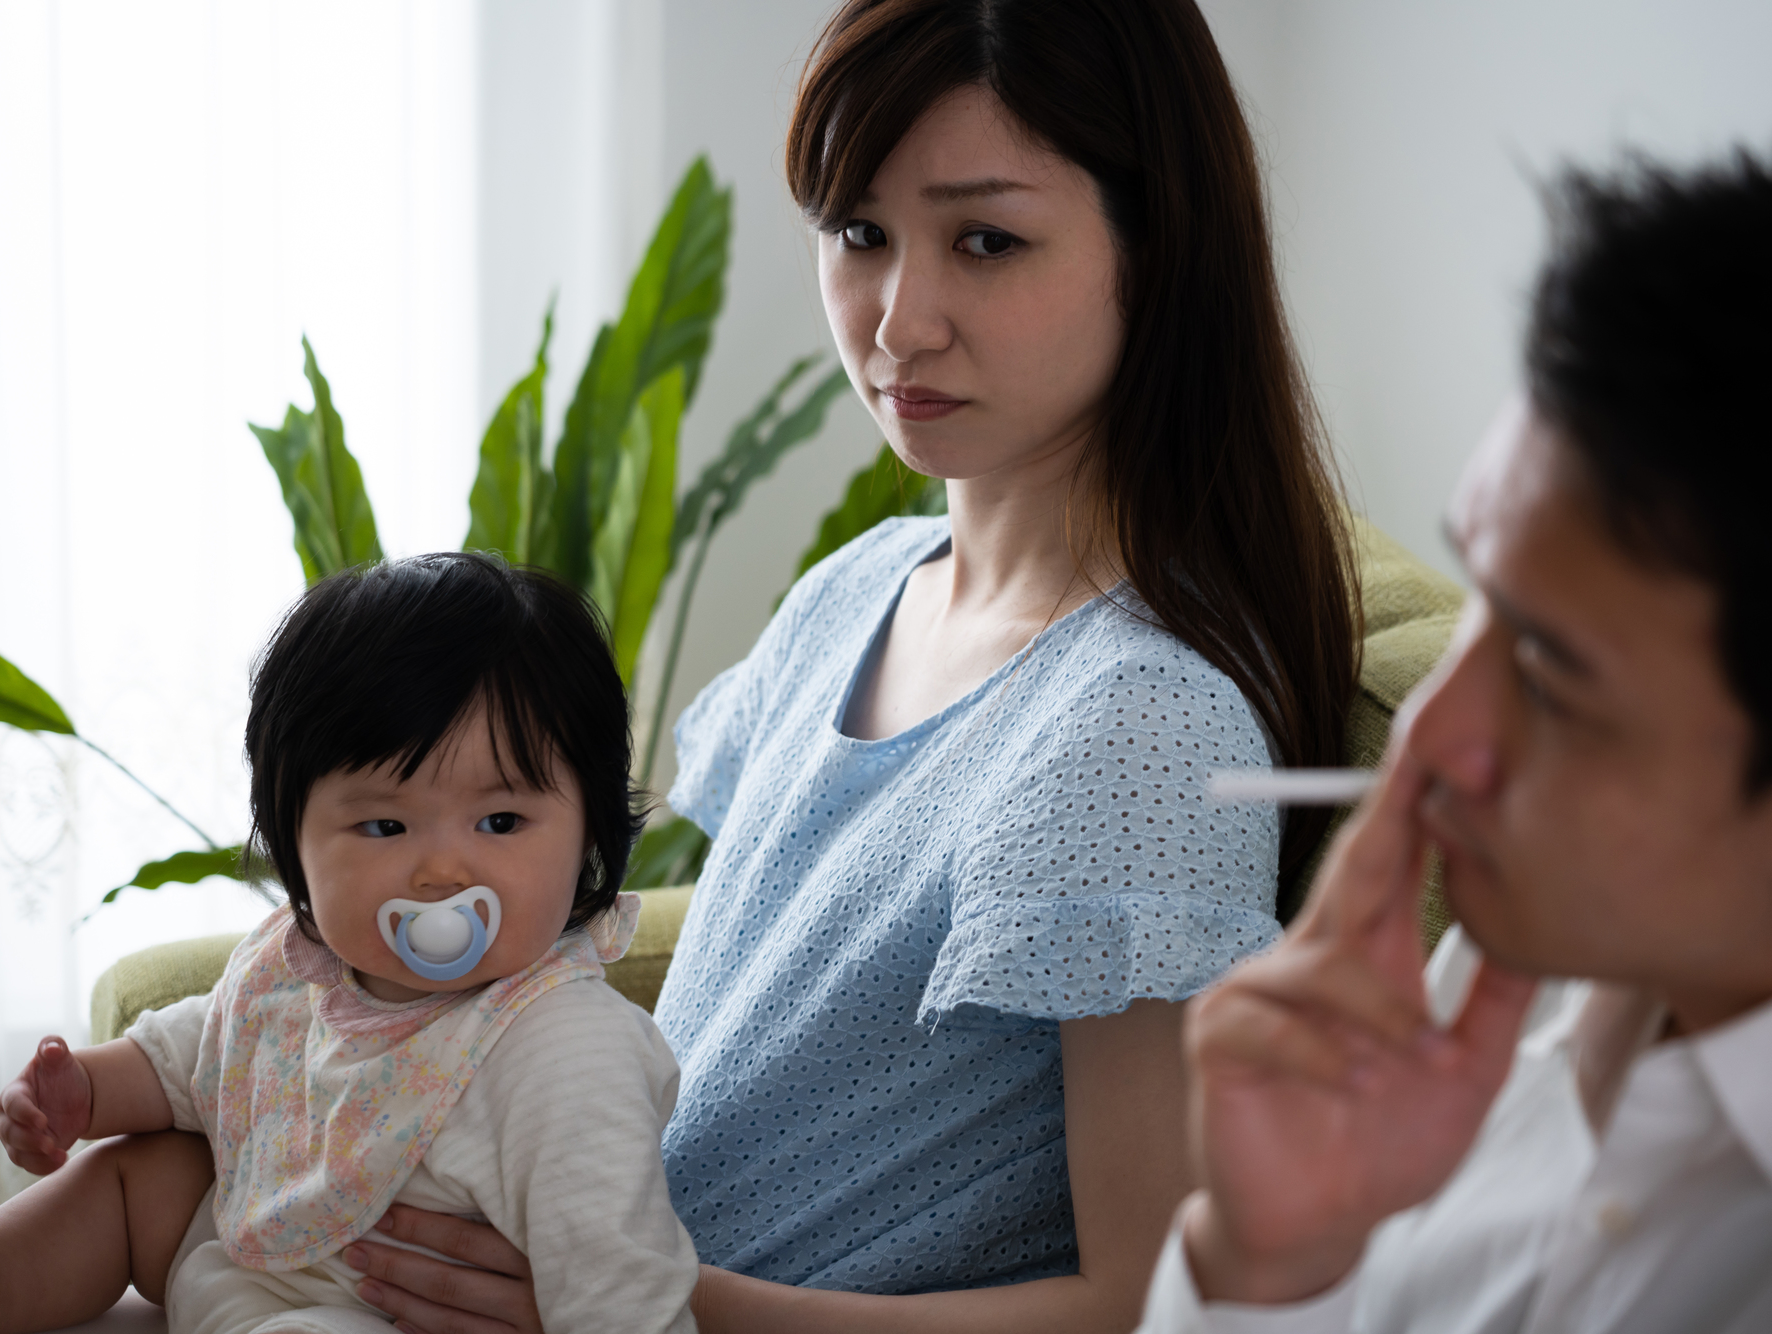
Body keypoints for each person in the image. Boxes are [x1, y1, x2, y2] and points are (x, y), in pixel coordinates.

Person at [343, 1, 1361, 1329]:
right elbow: (755, 1031)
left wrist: (636, 1299)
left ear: (1156, 251)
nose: (898, 324)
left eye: (986, 241)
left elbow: (1140, 1302)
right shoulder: (860, 586)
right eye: (860, 234)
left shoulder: (1139, 725)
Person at [1140, 105, 1772, 1333]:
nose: (1426, 735)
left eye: (1546, 675)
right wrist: (1267, 1263)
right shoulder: (1511, 963)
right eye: (1481, 594)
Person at [0, 554, 700, 1333]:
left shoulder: (565, 1048)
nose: (442, 871)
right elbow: (202, 1058)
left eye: (500, 822)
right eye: (384, 825)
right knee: (131, 1176)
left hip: (375, 1309)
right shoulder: (306, 965)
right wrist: (84, 1092)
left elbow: (621, 1289)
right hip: (242, 1263)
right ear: (294, 844)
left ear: (589, 833)